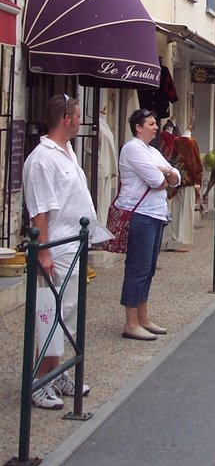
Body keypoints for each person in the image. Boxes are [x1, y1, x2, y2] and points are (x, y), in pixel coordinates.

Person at [22, 94, 97, 408]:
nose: (80, 121)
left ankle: (56, 373)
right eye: (78, 115)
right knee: (53, 314)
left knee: (68, 313)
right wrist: (42, 252)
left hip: (73, 246)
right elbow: (41, 209)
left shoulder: (67, 152)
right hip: (59, 248)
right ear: (66, 119)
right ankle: (38, 380)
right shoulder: (42, 158)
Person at [115, 108, 181, 341]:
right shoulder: (132, 148)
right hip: (140, 214)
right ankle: (131, 322)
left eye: (155, 123)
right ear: (138, 127)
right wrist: (165, 174)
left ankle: (143, 317)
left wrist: (167, 173)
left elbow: (176, 177)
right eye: (151, 123)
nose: (155, 127)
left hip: (155, 214)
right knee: (137, 268)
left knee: (148, 268)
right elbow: (158, 181)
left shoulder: (152, 151)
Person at [165, 132, 203, 251]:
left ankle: (176, 238)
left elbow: (172, 158)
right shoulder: (192, 142)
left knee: (176, 210)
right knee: (187, 211)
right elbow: (196, 162)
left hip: (178, 179)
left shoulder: (176, 141)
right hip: (190, 180)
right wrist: (198, 180)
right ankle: (184, 240)